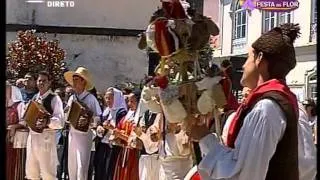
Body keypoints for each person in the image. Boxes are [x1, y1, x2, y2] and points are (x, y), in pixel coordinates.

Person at [188, 23, 302, 180]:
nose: (243, 64)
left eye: (248, 57)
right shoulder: (284, 101)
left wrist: (205, 137)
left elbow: (241, 174)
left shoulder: (265, 108)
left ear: (260, 58)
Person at [64, 67, 102, 180]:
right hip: (72, 134)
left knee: (82, 166)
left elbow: (98, 118)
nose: (74, 82)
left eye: (77, 79)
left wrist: (89, 121)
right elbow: (66, 117)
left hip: (85, 135)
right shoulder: (72, 98)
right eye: (73, 79)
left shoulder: (91, 99)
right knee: (72, 166)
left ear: (83, 81)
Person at [25, 71, 64, 180]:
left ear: (49, 82)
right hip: (32, 138)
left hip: (46, 138)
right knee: (31, 172)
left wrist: (47, 122)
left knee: (48, 173)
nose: (41, 83)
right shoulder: (34, 98)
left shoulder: (54, 99)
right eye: (39, 80)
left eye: (44, 81)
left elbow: (60, 122)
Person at [94, 87, 127, 180]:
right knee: (99, 169)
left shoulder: (121, 112)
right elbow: (100, 123)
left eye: (110, 98)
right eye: (106, 98)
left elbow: (121, 130)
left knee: (110, 171)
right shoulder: (106, 111)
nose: (108, 101)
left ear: (116, 98)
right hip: (103, 145)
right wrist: (99, 127)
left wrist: (110, 128)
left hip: (114, 147)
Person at [113, 93, 140, 180]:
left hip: (134, 153)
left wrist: (120, 135)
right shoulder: (127, 116)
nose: (129, 104)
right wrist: (116, 135)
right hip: (124, 150)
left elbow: (134, 138)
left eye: (132, 101)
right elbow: (118, 128)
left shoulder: (139, 117)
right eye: (128, 101)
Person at [6, 81, 27, 180]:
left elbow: (25, 122)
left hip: (14, 142)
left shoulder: (20, 105)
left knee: (13, 165)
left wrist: (15, 126)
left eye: (7, 89)